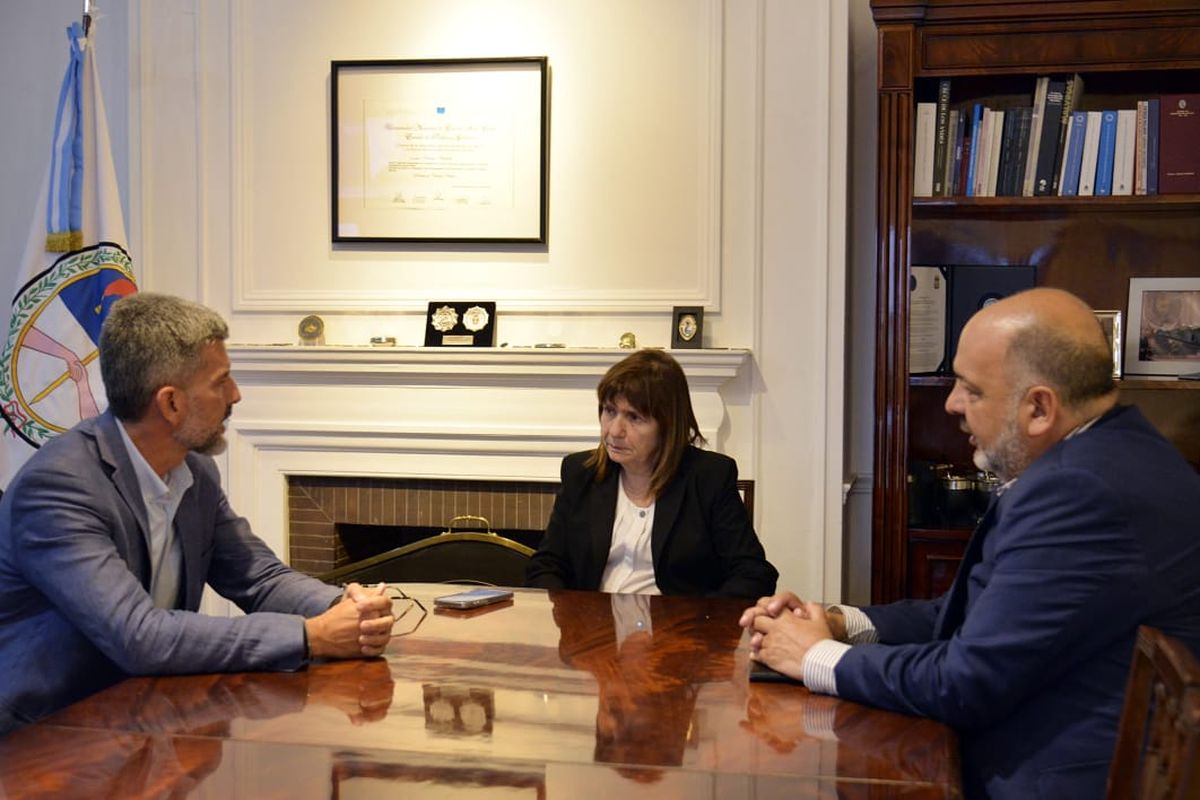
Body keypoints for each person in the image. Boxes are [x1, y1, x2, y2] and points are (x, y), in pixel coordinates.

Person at [740, 288, 1200, 799]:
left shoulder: (1080, 491)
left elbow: (964, 684)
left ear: (1040, 408)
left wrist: (814, 658)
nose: (951, 404)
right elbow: (972, 616)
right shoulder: (1107, 454)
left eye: (971, 389)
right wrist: (842, 623)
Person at [0, 293, 395, 735]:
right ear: (170, 403)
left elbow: (259, 579)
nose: (236, 395)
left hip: (143, 717)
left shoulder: (192, 469)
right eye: (221, 381)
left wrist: (346, 608)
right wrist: (312, 636)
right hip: (47, 736)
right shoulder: (58, 488)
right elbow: (139, 636)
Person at [526, 348, 776, 597]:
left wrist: (692, 625)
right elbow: (546, 565)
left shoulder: (709, 477)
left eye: (634, 417)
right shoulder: (580, 473)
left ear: (668, 425)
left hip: (678, 631)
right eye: (609, 411)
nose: (614, 431)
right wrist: (572, 616)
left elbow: (752, 574)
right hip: (592, 627)